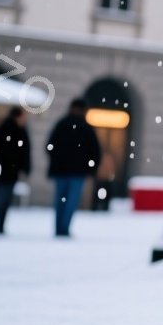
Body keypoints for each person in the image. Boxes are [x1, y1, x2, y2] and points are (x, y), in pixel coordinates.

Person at [46, 99, 101, 238]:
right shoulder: (86, 127)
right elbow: (95, 152)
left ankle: (60, 228)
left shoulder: (62, 124)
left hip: (63, 170)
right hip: (77, 171)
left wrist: (56, 160)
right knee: (70, 201)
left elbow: (50, 146)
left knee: (61, 201)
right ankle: (63, 228)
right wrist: (91, 168)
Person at [0, 107, 31, 235]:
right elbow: (25, 152)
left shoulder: (1, 129)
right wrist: (24, 167)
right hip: (8, 172)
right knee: (2, 200)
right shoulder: (18, 132)